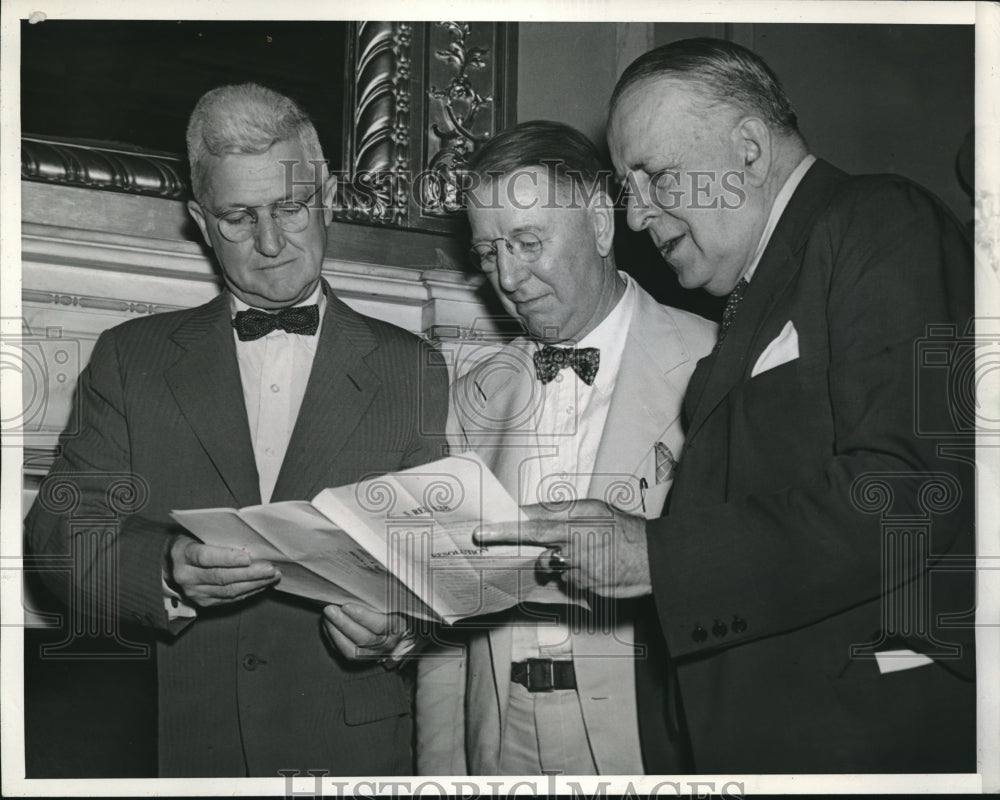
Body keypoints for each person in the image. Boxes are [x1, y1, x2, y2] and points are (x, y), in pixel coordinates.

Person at [475, 39, 976, 773]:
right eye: (626, 186)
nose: (638, 217)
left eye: (655, 177)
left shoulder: (879, 219)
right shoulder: (757, 294)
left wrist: (655, 554)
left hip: (861, 741)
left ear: (746, 147)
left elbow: (908, 495)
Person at [25, 83, 448, 777]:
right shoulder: (131, 359)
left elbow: (443, 568)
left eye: (291, 207)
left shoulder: (415, 369)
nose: (273, 242)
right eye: (238, 217)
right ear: (199, 218)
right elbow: (56, 534)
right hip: (183, 745)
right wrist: (164, 570)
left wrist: (401, 630)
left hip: (350, 749)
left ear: (329, 195)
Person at [416, 120, 716, 775]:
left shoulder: (711, 364)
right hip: (500, 739)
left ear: (602, 226)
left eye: (528, 242)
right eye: (489, 252)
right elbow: (448, 612)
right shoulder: (475, 396)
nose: (509, 277)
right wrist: (444, 770)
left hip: (649, 741)